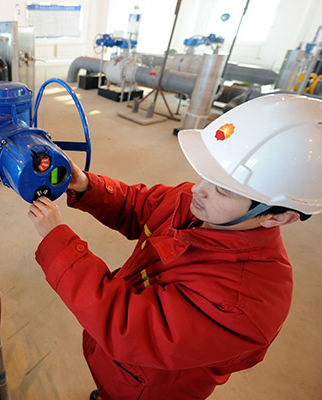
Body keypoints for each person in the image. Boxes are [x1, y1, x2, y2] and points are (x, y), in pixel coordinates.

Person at [27, 93, 322, 400]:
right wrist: (88, 186)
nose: (198, 189)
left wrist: (58, 241)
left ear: (279, 218)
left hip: (147, 389)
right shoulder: (200, 206)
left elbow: (125, 326)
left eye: (222, 189)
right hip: (114, 364)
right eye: (206, 175)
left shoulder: (244, 304)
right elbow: (139, 205)